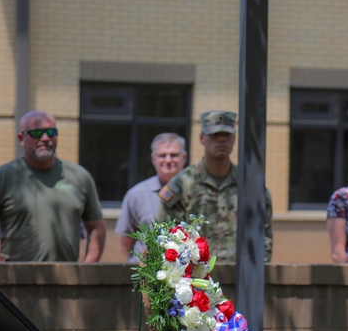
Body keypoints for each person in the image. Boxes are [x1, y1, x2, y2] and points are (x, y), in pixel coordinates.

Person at [0, 110, 106, 262]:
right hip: (18, 280)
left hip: (67, 280)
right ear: (21, 138)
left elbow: (97, 227)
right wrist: (0, 273)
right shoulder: (0, 178)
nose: (45, 138)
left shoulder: (80, 177)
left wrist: (86, 269)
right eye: (36, 133)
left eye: (51, 132)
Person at [158, 111, 273, 263]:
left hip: (241, 279)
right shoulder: (182, 185)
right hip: (194, 281)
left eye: (227, 134)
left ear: (234, 138)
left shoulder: (251, 186)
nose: (221, 139)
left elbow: (263, 237)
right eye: (214, 135)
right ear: (201, 138)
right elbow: (166, 238)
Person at [115, 132, 188, 262]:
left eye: (174, 155)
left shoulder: (195, 192)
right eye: (162, 155)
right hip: (146, 276)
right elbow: (126, 243)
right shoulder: (136, 195)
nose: (168, 160)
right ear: (153, 159)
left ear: (184, 157)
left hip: (186, 277)